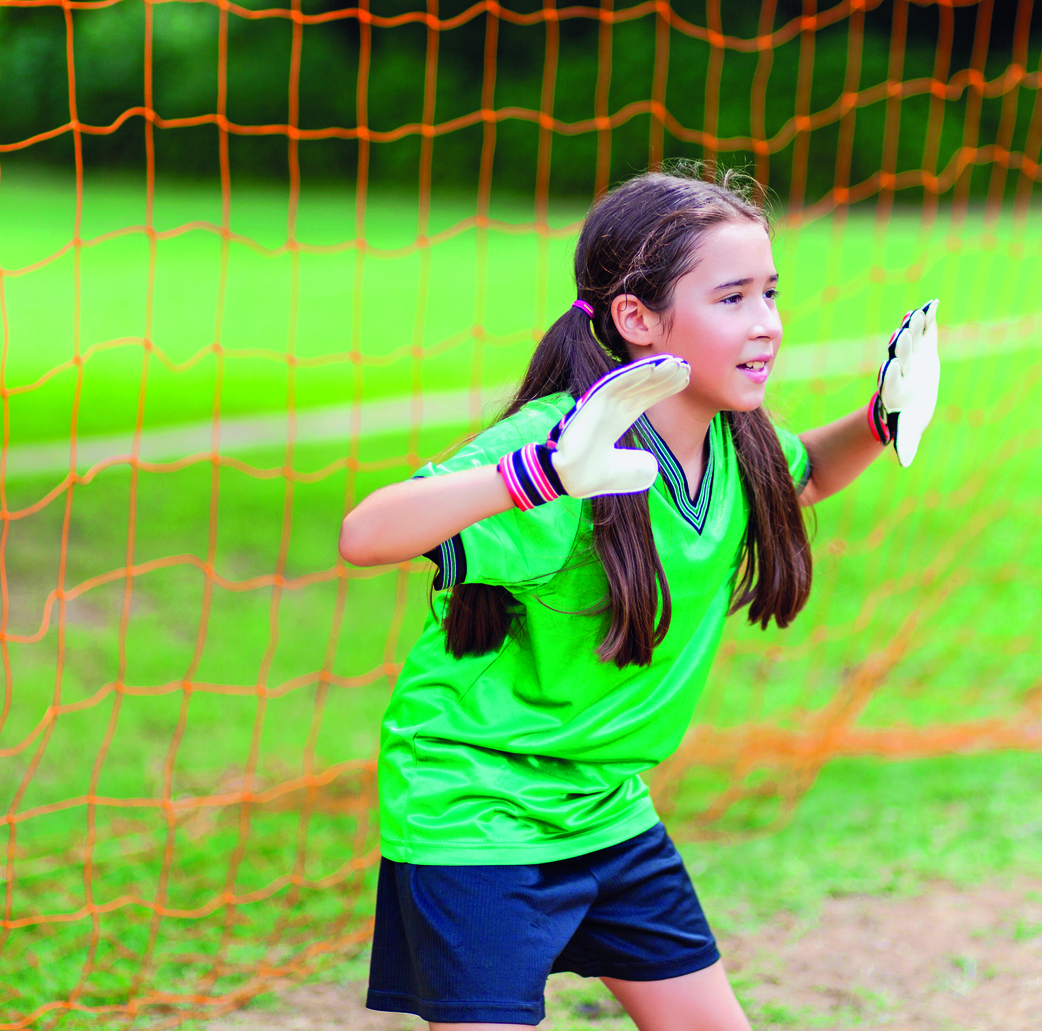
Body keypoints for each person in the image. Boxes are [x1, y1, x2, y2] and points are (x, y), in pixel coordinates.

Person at [339, 167, 940, 1031]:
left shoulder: (736, 443)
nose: (766, 323)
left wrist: (880, 421)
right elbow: (366, 534)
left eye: (770, 293)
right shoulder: (564, 446)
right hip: (478, 811)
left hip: (607, 807)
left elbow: (799, 479)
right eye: (731, 298)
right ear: (636, 319)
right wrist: (536, 476)